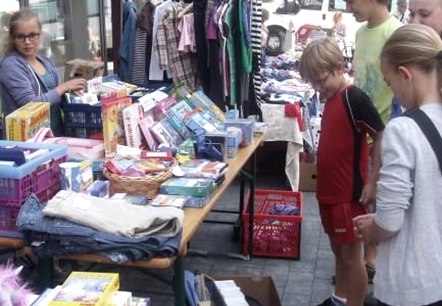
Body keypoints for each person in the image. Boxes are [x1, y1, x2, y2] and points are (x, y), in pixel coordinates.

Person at [353, 24, 442, 306]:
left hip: (412, 281)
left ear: (405, 74)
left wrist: (372, 230)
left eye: (390, 84)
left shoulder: (403, 130)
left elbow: (390, 220)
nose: (393, 93)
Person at [298, 37, 384, 306]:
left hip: (347, 194)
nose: (317, 88)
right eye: (312, 83)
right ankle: (340, 298)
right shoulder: (333, 97)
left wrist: (373, 179)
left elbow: (380, 134)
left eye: (320, 80)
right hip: (330, 192)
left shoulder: (353, 97)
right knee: (338, 250)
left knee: (351, 256)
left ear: (338, 67)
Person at [345, 0, 403, 283]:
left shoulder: (395, 33)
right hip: (360, 132)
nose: (348, 7)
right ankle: (360, 265)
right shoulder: (360, 33)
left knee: (380, 197)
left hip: (386, 133)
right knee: (362, 197)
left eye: (351, 1)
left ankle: (372, 263)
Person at [0, 8, 87, 137]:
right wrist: (64, 87)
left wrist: (76, 93)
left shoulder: (45, 61)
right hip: (27, 142)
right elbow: (29, 104)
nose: (27, 41)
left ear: (40, 35)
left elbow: (55, 96)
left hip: (55, 135)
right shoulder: (11, 65)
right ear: (13, 38)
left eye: (32, 35)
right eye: (21, 36)